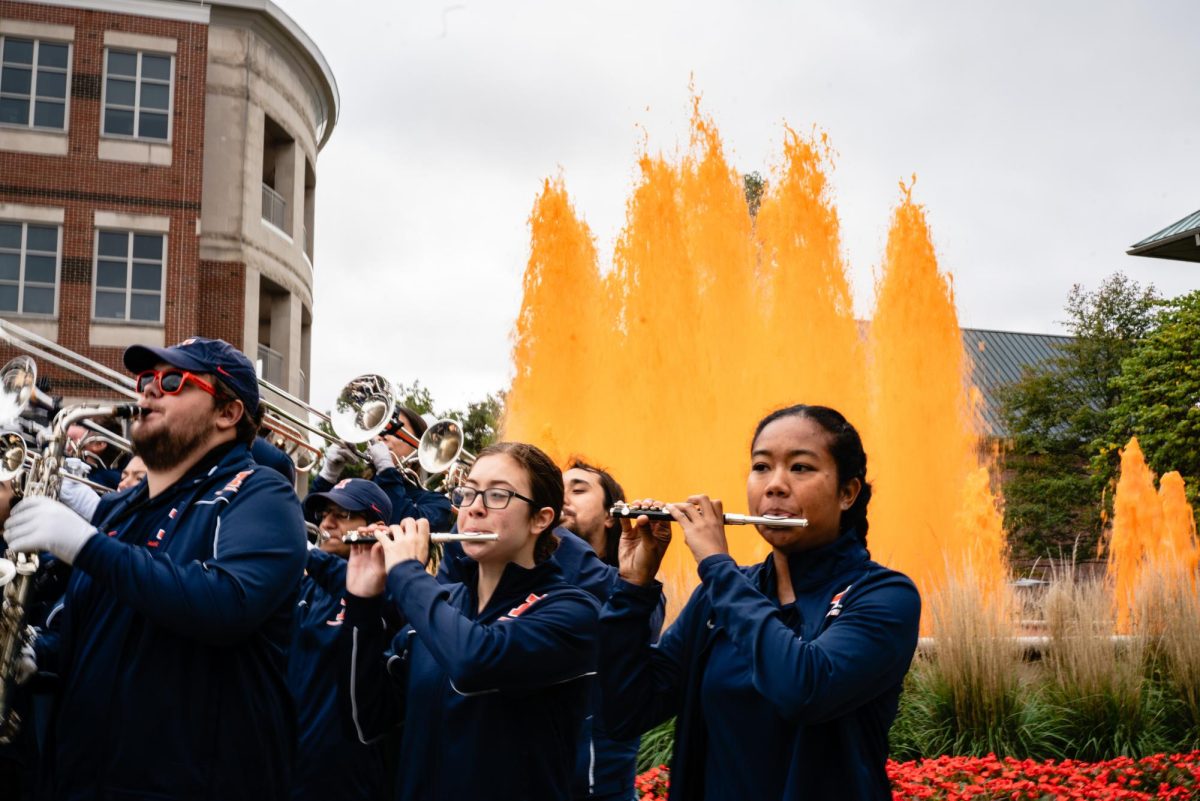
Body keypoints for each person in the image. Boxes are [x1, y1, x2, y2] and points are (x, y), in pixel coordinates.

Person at [3, 336, 307, 801]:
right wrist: (38, 655)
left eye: (171, 381)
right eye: (145, 380)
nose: (146, 391)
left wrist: (85, 546)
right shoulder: (119, 507)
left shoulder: (261, 494)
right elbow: (93, 624)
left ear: (228, 413)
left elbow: (227, 603)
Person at [600, 404, 921, 801]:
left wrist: (717, 566)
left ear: (847, 493)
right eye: (761, 467)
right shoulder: (719, 597)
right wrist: (633, 588)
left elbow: (803, 688)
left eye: (800, 467)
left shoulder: (884, 595)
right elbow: (625, 713)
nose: (774, 485)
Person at [343, 442, 600, 801]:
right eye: (468, 493)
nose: (474, 508)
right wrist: (363, 603)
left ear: (540, 519)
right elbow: (368, 719)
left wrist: (407, 573)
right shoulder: (443, 604)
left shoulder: (571, 611)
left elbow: (474, 662)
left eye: (497, 495)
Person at [289, 478, 392, 801]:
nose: (326, 523)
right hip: (288, 759)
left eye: (343, 514)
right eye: (324, 514)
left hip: (344, 776)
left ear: (374, 528)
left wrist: (294, 543)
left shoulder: (386, 592)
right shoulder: (306, 586)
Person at [313, 405, 452, 531]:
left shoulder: (436, 502)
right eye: (379, 429)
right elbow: (309, 530)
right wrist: (327, 476)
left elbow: (403, 529)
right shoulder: (353, 488)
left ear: (419, 446)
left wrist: (387, 471)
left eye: (394, 430)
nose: (382, 436)